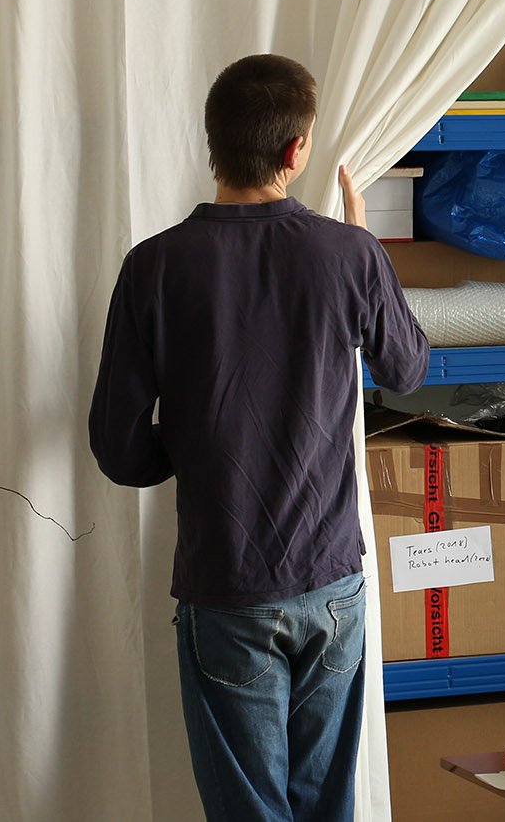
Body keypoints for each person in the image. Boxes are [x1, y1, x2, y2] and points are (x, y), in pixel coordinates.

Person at [89, 53, 429, 822]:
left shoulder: (153, 267)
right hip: (332, 584)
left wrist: (197, 446)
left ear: (211, 144)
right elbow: (405, 368)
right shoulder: (348, 253)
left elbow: (116, 448)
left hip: (229, 588)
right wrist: (364, 251)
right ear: (295, 152)